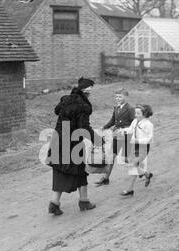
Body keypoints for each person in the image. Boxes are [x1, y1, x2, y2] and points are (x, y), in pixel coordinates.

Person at [47, 77, 103, 216]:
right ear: (87, 90)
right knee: (81, 171)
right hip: (72, 143)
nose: (90, 92)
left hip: (58, 139)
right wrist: (98, 140)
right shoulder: (83, 106)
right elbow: (83, 127)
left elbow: (56, 111)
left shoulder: (65, 99)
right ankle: (83, 201)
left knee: (60, 170)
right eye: (90, 89)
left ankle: (54, 204)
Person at [95, 88, 135, 186]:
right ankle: (106, 178)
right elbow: (113, 120)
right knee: (111, 157)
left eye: (120, 96)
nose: (118, 98)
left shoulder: (130, 109)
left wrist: (126, 130)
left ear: (126, 97)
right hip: (117, 136)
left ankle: (145, 173)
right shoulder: (116, 107)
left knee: (126, 159)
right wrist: (104, 127)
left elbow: (134, 123)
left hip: (127, 136)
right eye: (116, 96)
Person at [119, 104, 154, 196]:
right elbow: (130, 129)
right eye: (135, 113)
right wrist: (123, 130)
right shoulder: (135, 121)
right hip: (134, 146)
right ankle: (147, 174)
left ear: (145, 114)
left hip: (143, 148)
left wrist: (138, 140)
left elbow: (149, 139)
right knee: (132, 164)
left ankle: (130, 189)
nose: (135, 115)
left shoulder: (148, 124)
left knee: (133, 165)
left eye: (138, 113)